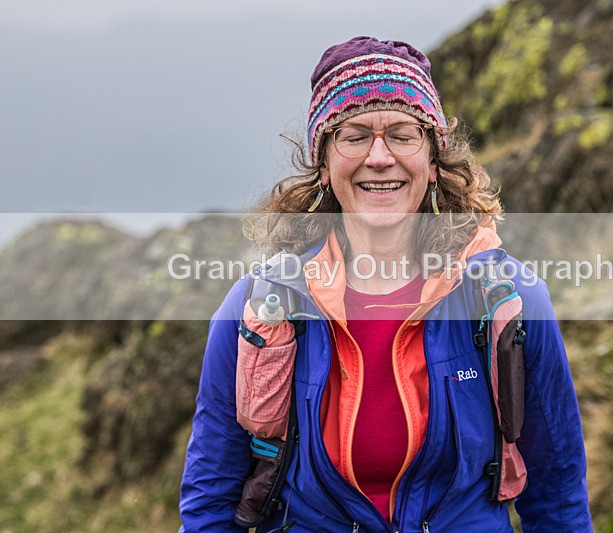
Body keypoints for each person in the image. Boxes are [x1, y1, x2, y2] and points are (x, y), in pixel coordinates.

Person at [179, 36, 592, 532]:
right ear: (325, 166)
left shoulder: (509, 302)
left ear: (434, 163)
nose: (380, 157)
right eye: (354, 135)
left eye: (402, 133)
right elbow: (210, 503)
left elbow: (559, 495)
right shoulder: (259, 309)